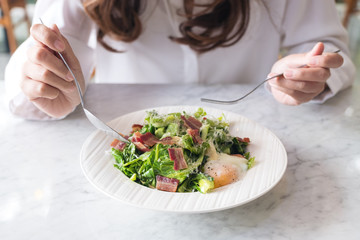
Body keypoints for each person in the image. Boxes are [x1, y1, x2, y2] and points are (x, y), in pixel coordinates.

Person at [4, 0, 356, 120]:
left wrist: (309, 71)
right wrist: (43, 86)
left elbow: (330, 48)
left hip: (256, 140)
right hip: (124, 144)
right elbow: (36, 68)